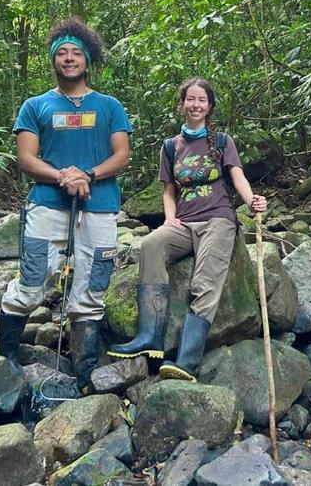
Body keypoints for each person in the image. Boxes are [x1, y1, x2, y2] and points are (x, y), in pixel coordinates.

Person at [0, 16, 132, 391]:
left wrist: (87, 175)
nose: (69, 58)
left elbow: (121, 155)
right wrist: (63, 177)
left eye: (76, 53)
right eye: (62, 53)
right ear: (54, 60)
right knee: (32, 281)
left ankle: (85, 370)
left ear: (88, 61)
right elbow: (26, 159)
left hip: (100, 205)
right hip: (47, 204)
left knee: (92, 286)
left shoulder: (109, 106)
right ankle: (6, 359)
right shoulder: (35, 105)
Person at [108, 77, 266, 381]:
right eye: (190, 100)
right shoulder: (170, 147)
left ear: (209, 106)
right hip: (185, 221)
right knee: (151, 245)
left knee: (203, 280)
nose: (195, 105)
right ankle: (149, 338)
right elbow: (169, 191)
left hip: (218, 219)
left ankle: (187, 362)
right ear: (182, 105)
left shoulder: (222, 141)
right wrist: (170, 219)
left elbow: (237, 177)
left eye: (202, 100)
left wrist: (252, 200)